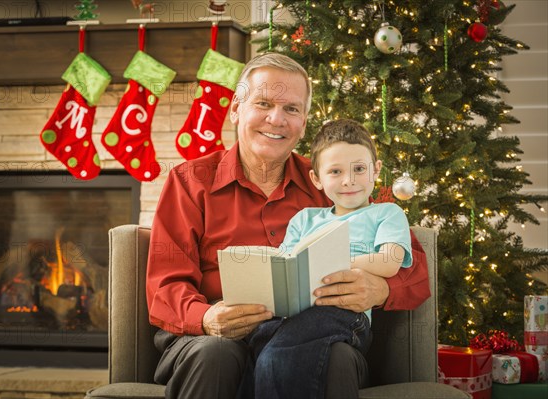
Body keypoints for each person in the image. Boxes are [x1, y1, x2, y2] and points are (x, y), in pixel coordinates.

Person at [146, 53, 430, 399]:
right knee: (215, 353)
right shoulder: (189, 181)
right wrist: (207, 318)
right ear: (236, 109)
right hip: (210, 335)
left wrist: (380, 290)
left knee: (333, 355)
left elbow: (414, 265)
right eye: (263, 103)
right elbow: (166, 284)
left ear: (304, 122)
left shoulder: (335, 177)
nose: (276, 119)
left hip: (313, 330)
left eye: (292, 109)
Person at [237, 119, 413, 397]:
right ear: (317, 179)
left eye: (359, 169)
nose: (349, 180)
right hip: (295, 313)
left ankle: (270, 352)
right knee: (266, 335)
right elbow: (286, 262)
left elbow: (390, 261)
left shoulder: (386, 213)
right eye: (335, 171)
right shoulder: (305, 219)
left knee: (274, 355)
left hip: (346, 313)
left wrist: (333, 260)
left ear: (376, 170)